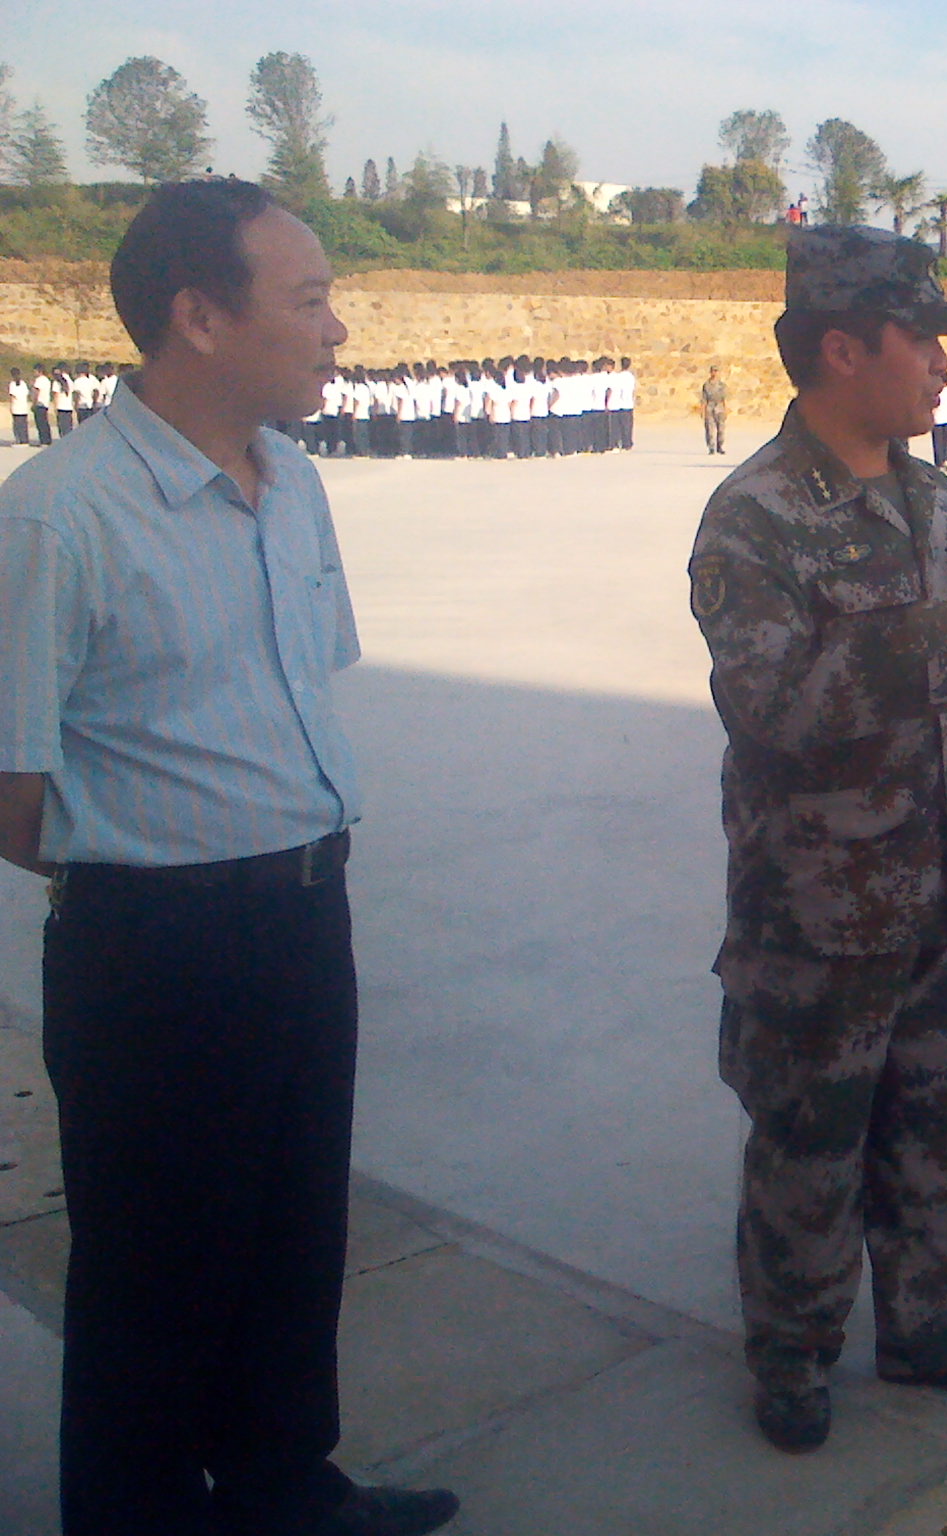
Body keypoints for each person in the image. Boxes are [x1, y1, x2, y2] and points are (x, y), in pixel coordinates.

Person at [0, 180, 459, 1536]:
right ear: (198, 317)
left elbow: (299, 684)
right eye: (309, 300)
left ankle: (282, 1487)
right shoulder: (62, 516)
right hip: (156, 948)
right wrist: (148, 869)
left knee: (292, 1233)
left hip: (307, 914)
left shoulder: (294, 481)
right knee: (154, 1273)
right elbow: (9, 784)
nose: (337, 330)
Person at [688, 224, 947, 1457]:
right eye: (920, 336)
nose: (940, 362)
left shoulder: (930, 493)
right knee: (810, 1147)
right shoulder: (754, 518)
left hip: (946, 886)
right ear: (841, 349)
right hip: (822, 912)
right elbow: (769, 709)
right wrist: (939, 634)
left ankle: (931, 1326)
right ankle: (792, 1354)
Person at [701, 364, 729, 454]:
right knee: (710, 429)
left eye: (716, 371)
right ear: (710, 372)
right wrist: (703, 411)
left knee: (721, 428)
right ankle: (711, 447)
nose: (715, 373)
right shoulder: (706, 385)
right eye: (713, 371)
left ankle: (720, 446)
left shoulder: (722, 385)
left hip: (720, 407)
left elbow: (725, 399)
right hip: (710, 406)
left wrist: (726, 410)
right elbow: (704, 399)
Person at [930, 376, 947, 467]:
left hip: (937, 419)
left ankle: (939, 462)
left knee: (937, 442)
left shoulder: (935, 390)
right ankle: (946, 459)